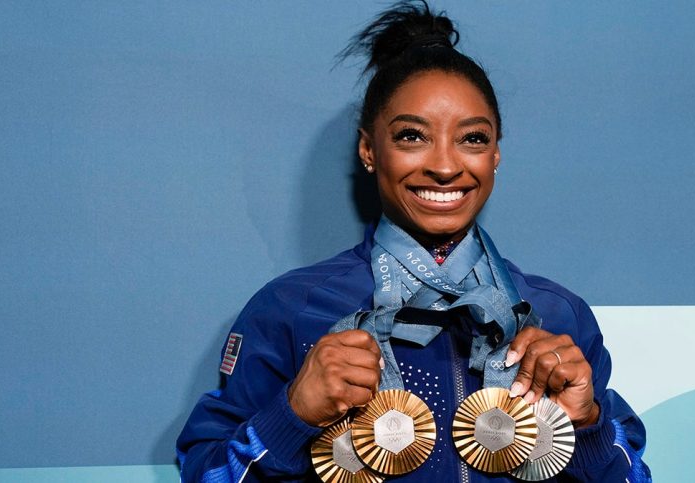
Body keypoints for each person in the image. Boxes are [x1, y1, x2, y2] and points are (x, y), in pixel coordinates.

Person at [177, 2, 651, 482]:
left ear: (496, 154)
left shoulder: (558, 315)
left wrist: (588, 426)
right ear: (368, 149)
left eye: (472, 139)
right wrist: (291, 415)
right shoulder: (291, 309)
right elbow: (206, 473)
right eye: (411, 136)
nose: (445, 167)